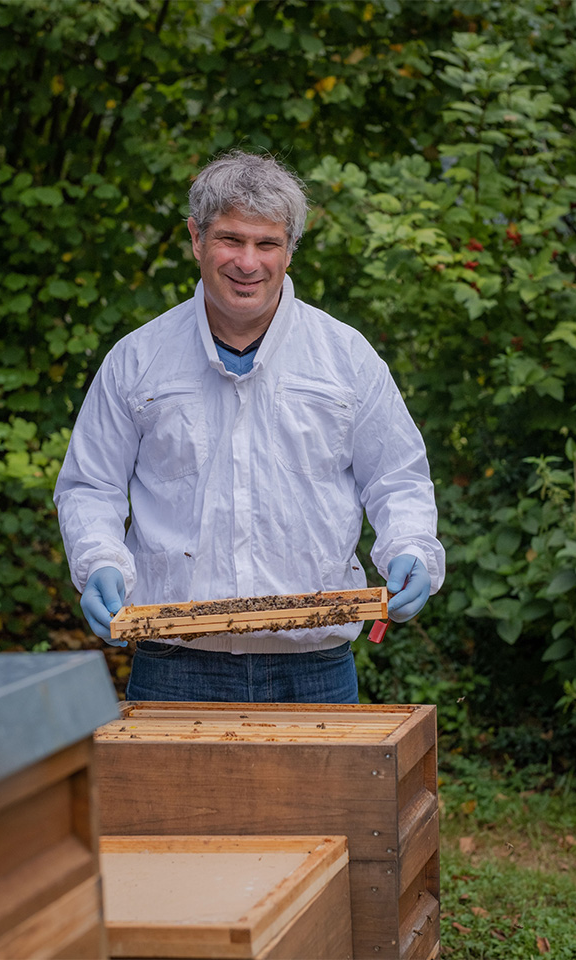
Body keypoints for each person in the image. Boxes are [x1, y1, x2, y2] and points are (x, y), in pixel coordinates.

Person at [53, 150, 445, 704]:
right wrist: (97, 561)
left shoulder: (345, 358)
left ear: (290, 250)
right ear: (195, 238)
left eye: (267, 244)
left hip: (315, 667)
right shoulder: (137, 360)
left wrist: (410, 548)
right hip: (174, 663)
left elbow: (397, 479)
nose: (248, 262)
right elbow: (91, 487)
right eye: (231, 240)